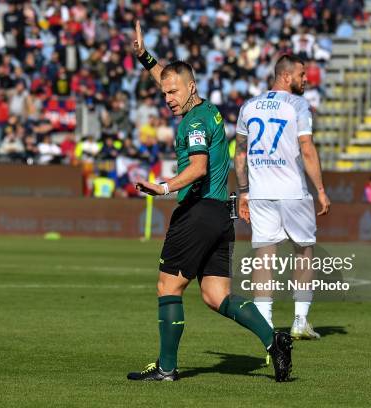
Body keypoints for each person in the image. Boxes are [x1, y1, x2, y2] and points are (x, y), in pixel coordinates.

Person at [127, 21, 292, 382]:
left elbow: (199, 167)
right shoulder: (208, 109)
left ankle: (167, 368)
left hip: (197, 213)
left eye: (173, 93)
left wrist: (165, 187)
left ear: (191, 88)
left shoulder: (192, 124)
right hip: (221, 213)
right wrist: (145, 56)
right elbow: (170, 78)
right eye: (165, 92)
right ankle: (273, 339)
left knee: (168, 287)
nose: (167, 98)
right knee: (217, 295)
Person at [234, 55, 331, 342]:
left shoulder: (248, 106)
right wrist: (321, 189)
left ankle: (264, 322)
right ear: (286, 76)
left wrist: (243, 192)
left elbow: (240, 153)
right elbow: (307, 148)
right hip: (293, 192)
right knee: (303, 252)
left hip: (261, 192)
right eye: (302, 74)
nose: (306, 79)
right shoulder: (298, 105)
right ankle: (300, 320)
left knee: (264, 256)